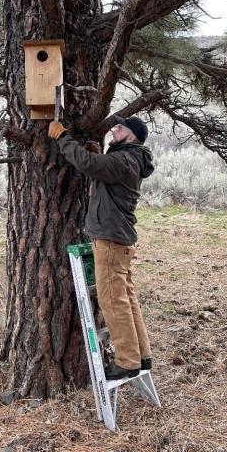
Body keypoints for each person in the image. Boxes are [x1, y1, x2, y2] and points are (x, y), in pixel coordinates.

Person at [48, 116, 154, 380]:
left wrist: (62, 137)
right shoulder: (130, 159)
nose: (114, 129)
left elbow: (88, 164)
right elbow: (102, 167)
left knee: (112, 300)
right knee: (126, 298)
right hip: (120, 239)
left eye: (120, 128)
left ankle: (127, 361)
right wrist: (98, 150)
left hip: (110, 239)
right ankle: (142, 355)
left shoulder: (124, 161)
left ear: (131, 136)